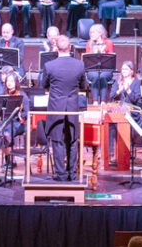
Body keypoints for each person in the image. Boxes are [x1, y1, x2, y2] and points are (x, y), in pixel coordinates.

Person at [39, 35, 88, 181]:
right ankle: (72, 174)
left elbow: (44, 85)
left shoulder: (49, 66)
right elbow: (83, 86)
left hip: (56, 107)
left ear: (55, 49)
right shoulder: (79, 65)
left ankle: (61, 174)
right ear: (71, 48)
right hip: (72, 107)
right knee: (72, 140)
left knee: (57, 140)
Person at [84, 23, 115, 104]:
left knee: (102, 76)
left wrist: (102, 51)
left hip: (106, 70)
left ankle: (103, 101)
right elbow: (87, 61)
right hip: (92, 70)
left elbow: (111, 60)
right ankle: (95, 101)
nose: (91, 34)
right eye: (90, 32)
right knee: (95, 76)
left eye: (93, 32)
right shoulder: (89, 43)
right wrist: (93, 51)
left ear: (100, 33)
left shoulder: (108, 43)